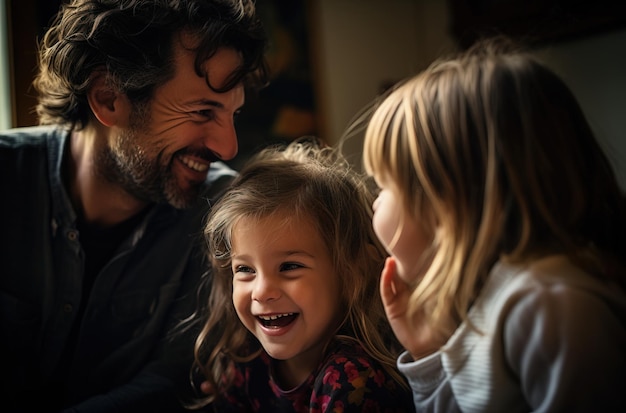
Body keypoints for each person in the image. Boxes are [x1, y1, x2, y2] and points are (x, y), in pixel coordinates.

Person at [0, 0, 268, 412]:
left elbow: (174, 381)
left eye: (232, 114)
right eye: (201, 111)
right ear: (109, 98)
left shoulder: (224, 215)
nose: (227, 146)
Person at [359, 36, 626, 412]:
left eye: (385, 186)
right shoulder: (494, 300)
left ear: (449, 204)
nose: (375, 201)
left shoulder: (550, 306)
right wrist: (429, 353)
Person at [189, 139, 415, 412]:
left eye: (289, 267)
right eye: (245, 270)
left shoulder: (354, 379)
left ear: (353, 271)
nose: (261, 291)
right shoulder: (245, 359)